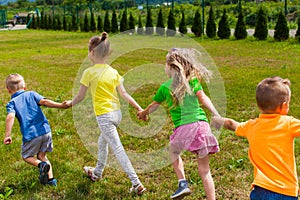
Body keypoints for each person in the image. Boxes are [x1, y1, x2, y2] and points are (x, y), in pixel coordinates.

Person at [64, 32, 146, 195]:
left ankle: (136, 183)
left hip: (104, 116)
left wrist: (69, 103)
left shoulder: (89, 72)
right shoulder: (113, 71)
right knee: (103, 142)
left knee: (117, 148)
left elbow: (80, 96)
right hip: (117, 114)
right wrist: (138, 108)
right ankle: (97, 173)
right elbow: (124, 94)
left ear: (92, 53)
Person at [138, 48, 220, 200]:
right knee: (205, 171)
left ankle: (182, 183)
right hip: (202, 127)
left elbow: (153, 106)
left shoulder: (165, 87)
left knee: (174, 151)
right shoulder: (193, 81)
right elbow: (203, 98)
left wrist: (143, 113)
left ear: (170, 67)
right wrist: (216, 114)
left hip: (183, 129)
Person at [212, 76, 300, 200]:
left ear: (259, 106)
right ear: (284, 106)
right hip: (286, 190)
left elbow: (233, 124)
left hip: (261, 190)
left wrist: (218, 120)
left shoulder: (251, 126)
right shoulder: (289, 123)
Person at [4, 73, 68, 186]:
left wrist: (7, 135)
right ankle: (51, 180)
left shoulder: (12, 103)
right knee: (42, 156)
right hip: (46, 131)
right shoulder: (31, 94)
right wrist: (60, 105)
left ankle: (41, 165)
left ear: (8, 90)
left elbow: (10, 116)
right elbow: (44, 102)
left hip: (31, 135)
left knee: (27, 156)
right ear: (25, 87)